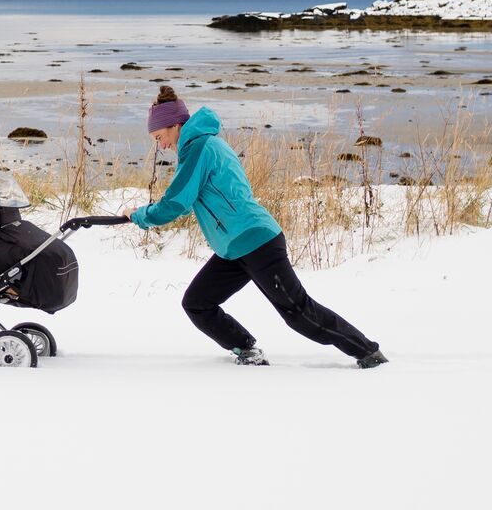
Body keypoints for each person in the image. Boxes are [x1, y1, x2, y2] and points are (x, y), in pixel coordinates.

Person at [118, 86, 388, 368]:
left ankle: (368, 352)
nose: (161, 146)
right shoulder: (200, 147)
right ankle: (247, 350)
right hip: (233, 249)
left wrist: (140, 216)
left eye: (160, 137)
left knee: (298, 312)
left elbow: (175, 203)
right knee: (197, 302)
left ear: (175, 126)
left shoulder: (200, 147)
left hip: (257, 241)